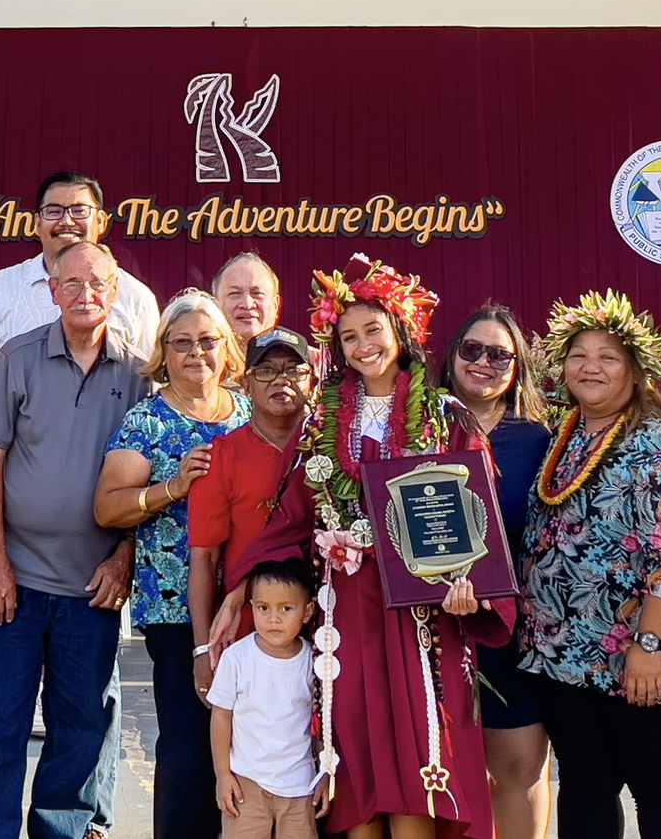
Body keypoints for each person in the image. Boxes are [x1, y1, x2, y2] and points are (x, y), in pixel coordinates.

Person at [212, 253, 510, 839]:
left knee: (419, 744)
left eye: (373, 330)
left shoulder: (446, 417)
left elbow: (477, 515)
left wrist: (472, 588)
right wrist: (242, 586)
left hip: (422, 611)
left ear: (401, 329)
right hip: (345, 604)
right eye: (347, 336)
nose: (362, 345)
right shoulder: (322, 418)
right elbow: (293, 515)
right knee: (351, 742)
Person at [0, 240, 148, 839]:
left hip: (93, 587)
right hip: (13, 580)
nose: (84, 294)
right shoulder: (19, 357)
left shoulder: (140, 372)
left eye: (97, 284)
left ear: (115, 292)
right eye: (71, 284)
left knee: (82, 726)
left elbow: (154, 476)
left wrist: (123, 558)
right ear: (53, 291)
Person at [520, 290, 661, 839]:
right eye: (579, 355)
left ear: (634, 371)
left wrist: (649, 648)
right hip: (562, 656)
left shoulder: (656, 445)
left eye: (608, 357)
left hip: (637, 658)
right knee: (583, 788)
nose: (591, 367)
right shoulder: (564, 437)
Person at [95, 289, 251, 837]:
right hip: (176, 608)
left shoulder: (252, 411)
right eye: (181, 344)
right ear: (164, 352)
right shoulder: (148, 420)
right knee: (189, 749)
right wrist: (172, 486)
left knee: (252, 746)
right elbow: (108, 506)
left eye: (208, 341)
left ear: (227, 348)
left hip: (258, 605)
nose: (196, 354)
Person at [437, 302, 552, 839]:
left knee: (518, 769)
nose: (483, 362)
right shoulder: (416, 428)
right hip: (430, 625)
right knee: (443, 773)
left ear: (517, 366)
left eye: (499, 354)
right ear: (452, 356)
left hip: (514, 629)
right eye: (472, 349)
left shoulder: (538, 440)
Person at [189, 326, 315, 694]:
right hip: (249, 630)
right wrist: (202, 648)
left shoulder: (329, 450)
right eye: (266, 371)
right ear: (245, 384)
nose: (281, 380)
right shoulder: (222, 456)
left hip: (321, 623)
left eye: (294, 370)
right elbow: (205, 558)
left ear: (313, 382)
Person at [0, 170, 160, 363]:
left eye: (80, 211)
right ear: (37, 223)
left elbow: (149, 381)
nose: (66, 221)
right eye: (53, 211)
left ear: (100, 221)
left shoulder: (136, 299)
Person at [209, 558, 326, 839]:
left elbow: (321, 722)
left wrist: (325, 773)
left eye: (286, 609)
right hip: (245, 784)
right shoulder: (236, 658)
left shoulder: (315, 661)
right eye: (263, 608)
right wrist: (223, 775)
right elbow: (221, 716)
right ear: (251, 608)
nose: (273, 618)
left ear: (308, 611)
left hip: (300, 787)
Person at [211, 252, 281, 345]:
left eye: (257, 293)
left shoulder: (302, 358)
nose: (247, 305)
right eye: (235, 294)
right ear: (215, 305)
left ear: (275, 305)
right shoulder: (199, 357)